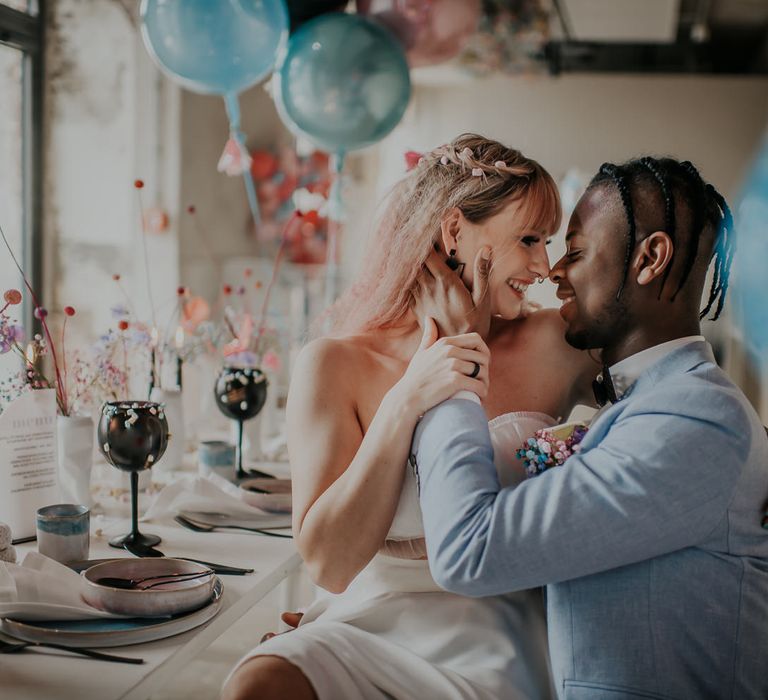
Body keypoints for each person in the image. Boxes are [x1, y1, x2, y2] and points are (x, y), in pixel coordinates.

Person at [221, 134, 597, 700]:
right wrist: (407, 400)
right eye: (528, 240)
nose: (544, 267)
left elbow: (668, 403)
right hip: (370, 615)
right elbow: (329, 565)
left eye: (546, 242)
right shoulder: (332, 364)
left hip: (500, 627)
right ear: (453, 232)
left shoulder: (556, 344)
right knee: (258, 682)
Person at [412, 156, 768, 699]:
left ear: (650, 258)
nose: (553, 270)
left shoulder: (697, 418)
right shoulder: (667, 404)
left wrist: (455, 360)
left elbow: (470, 550)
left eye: (574, 251)